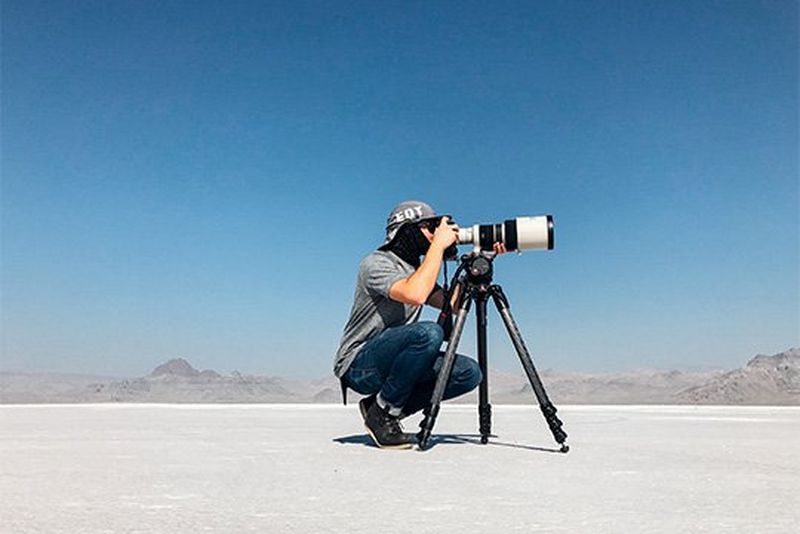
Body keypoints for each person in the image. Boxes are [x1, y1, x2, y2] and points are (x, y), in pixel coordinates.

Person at [334, 200, 502, 449]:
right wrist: (437, 247)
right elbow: (415, 293)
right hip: (360, 364)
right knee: (428, 333)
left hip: (398, 362)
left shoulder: (418, 271)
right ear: (408, 229)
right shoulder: (376, 263)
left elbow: (453, 304)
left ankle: (378, 408)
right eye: (429, 228)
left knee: (468, 372)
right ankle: (384, 414)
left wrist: (480, 264)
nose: (435, 234)